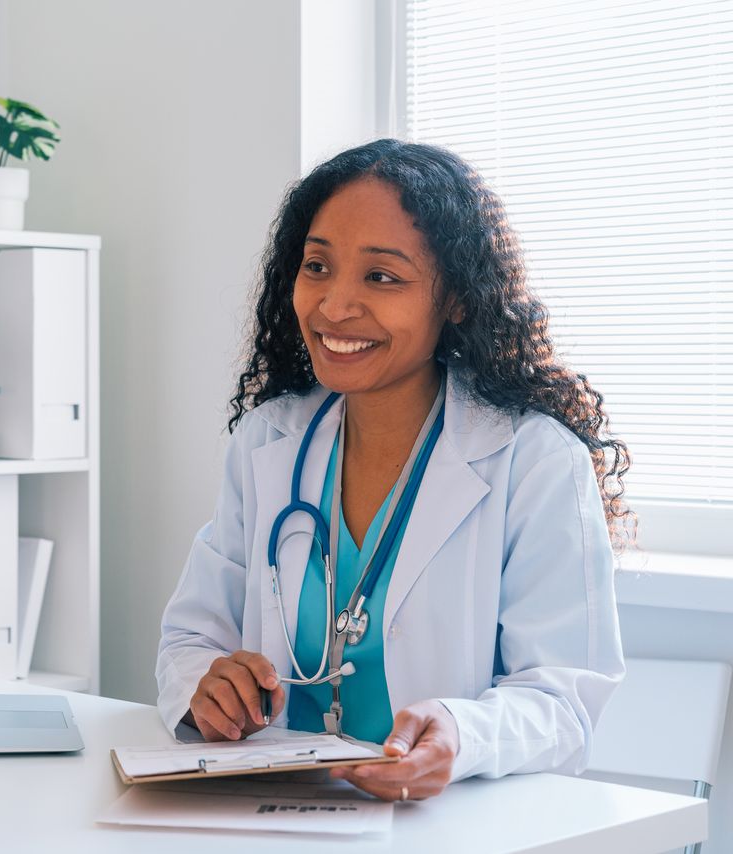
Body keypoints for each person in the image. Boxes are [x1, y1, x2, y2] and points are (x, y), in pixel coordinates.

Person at [156, 139, 629, 802]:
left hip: (452, 823)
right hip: (279, 811)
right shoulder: (270, 440)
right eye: (317, 266)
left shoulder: (536, 461)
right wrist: (206, 684)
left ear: (457, 300)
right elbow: (191, 635)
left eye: (382, 277)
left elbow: (564, 699)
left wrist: (461, 735)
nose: (335, 305)